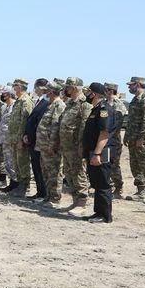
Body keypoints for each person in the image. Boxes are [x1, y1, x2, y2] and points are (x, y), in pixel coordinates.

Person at [82, 83, 115, 223]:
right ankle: (98, 213)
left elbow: (104, 133)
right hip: (93, 151)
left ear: (94, 94)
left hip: (101, 152)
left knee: (102, 184)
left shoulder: (104, 110)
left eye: (88, 92)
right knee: (96, 183)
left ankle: (105, 216)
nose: (87, 95)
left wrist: (96, 154)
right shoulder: (95, 109)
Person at [60, 77, 93, 216]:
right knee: (69, 173)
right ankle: (75, 201)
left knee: (79, 173)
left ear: (74, 88)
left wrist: (81, 146)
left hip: (75, 147)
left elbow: (84, 127)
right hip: (66, 146)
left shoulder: (84, 104)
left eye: (67, 87)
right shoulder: (70, 103)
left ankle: (82, 204)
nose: (65, 90)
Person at [123, 76, 145, 202]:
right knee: (135, 166)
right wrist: (127, 136)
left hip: (143, 141)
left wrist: (142, 138)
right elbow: (131, 121)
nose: (129, 87)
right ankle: (141, 190)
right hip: (133, 138)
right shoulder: (134, 100)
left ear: (138, 85)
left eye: (131, 85)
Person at [35, 81, 66, 207]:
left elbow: (55, 127)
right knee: (46, 172)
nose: (45, 92)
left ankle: (55, 198)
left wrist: (52, 146)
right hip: (44, 146)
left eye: (47, 90)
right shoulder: (50, 104)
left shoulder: (59, 105)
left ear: (51, 92)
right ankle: (48, 196)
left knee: (54, 173)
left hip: (51, 147)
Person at [24, 78, 50, 199]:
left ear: (40, 87)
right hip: (33, 140)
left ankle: (43, 193)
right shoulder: (39, 101)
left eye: (35, 87)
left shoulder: (46, 102)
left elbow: (39, 122)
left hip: (39, 140)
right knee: (35, 166)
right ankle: (40, 192)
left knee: (40, 168)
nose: (34, 89)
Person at [8, 78, 34, 197]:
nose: (13, 87)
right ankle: (19, 186)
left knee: (22, 163)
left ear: (21, 86)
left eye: (16, 85)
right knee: (16, 163)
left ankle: (25, 187)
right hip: (14, 138)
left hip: (20, 139)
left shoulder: (26, 101)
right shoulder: (18, 101)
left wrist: (21, 139)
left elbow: (25, 121)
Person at [104, 83, 126, 198]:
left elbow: (117, 124)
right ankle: (109, 185)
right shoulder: (105, 103)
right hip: (104, 139)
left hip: (113, 140)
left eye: (105, 90)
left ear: (110, 91)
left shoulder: (118, 105)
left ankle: (118, 187)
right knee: (105, 163)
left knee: (114, 164)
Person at [0, 86, 18, 191]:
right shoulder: (7, 106)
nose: (2, 95)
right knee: (8, 163)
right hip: (5, 139)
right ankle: (12, 183)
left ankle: (15, 184)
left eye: (4, 94)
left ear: (9, 94)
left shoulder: (14, 106)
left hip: (10, 140)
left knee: (12, 163)